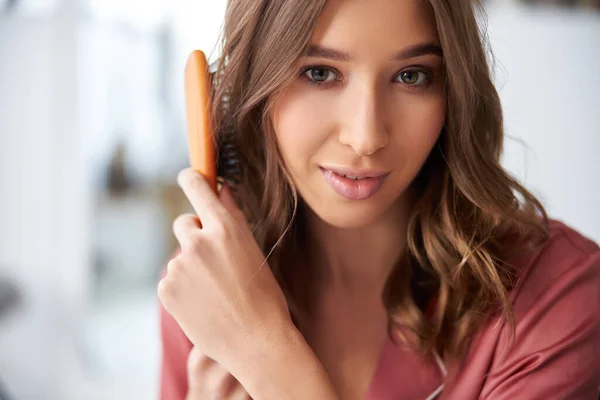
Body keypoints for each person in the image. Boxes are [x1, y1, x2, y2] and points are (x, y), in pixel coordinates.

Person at [157, 0, 600, 398]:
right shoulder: (202, 286)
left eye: (412, 76)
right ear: (252, 84)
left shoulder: (559, 294)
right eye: (320, 73)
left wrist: (268, 358)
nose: (366, 137)